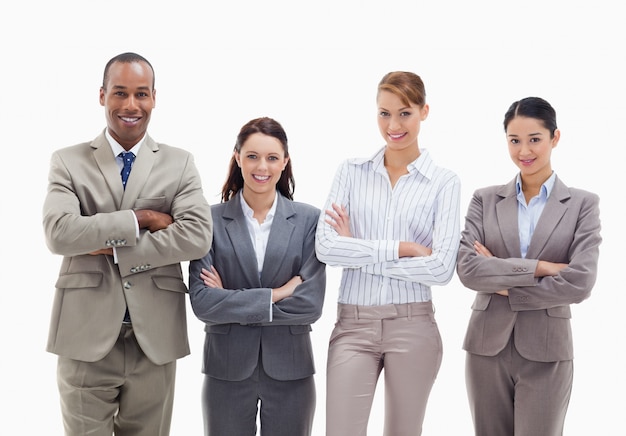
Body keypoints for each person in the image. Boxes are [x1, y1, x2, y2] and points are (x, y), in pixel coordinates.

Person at [42, 52, 213, 436]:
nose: (131, 105)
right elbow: (59, 232)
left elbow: (198, 236)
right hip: (84, 337)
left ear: (154, 97)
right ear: (102, 96)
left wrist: (114, 245)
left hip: (154, 339)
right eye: (120, 93)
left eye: (141, 94)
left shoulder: (179, 163)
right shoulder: (68, 162)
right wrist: (144, 219)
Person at [315, 71, 461, 436]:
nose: (393, 125)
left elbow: (442, 268)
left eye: (404, 113)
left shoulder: (444, 182)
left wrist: (358, 250)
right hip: (353, 326)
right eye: (384, 113)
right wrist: (405, 249)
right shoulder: (350, 172)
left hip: (414, 327)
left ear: (424, 111)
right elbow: (326, 247)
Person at [456, 96, 602, 436]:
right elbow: (468, 269)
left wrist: (502, 278)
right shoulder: (485, 199)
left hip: (547, 351)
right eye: (514, 140)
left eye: (535, 139)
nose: (524, 150)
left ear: (555, 138)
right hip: (485, 348)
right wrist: (542, 267)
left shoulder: (582, 204)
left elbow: (580, 282)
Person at [188, 116, 326, 436]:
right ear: (237, 157)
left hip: (292, 370)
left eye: (272, 157)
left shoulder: (309, 220)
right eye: (252, 156)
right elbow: (203, 302)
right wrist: (276, 294)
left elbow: (310, 304)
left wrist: (231, 299)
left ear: (285, 162)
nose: (261, 166)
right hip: (226, 368)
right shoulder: (209, 220)